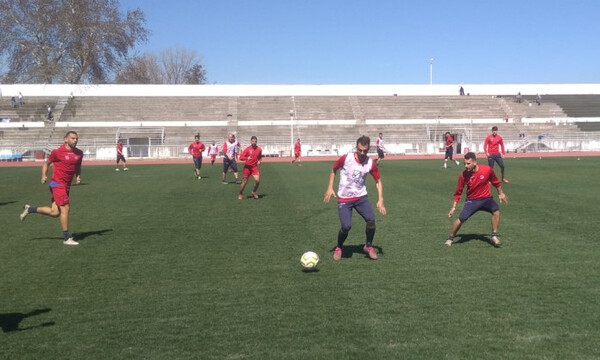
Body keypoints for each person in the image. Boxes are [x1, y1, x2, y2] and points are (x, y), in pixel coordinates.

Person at [323, 135, 386, 261]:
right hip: (344, 199)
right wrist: (330, 187)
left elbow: (378, 181)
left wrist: (381, 199)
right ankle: (339, 247)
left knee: (371, 221)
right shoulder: (346, 158)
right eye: (360, 150)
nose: (362, 153)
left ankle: (368, 246)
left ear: (368, 150)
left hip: (360, 197)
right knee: (346, 227)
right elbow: (333, 169)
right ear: (356, 147)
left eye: (365, 151)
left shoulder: (370, 163)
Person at [19, 131, 83, 246]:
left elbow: (77, 166)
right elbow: (46, 163)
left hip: (66, 185)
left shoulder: (79, 153)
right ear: (66, 139)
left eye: (76, 138)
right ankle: (66, 238)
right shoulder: (57, 152)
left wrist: (78, 176)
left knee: (55, 212)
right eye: (72, 138)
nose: (75, 140)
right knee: (65, 208)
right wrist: (44, 175)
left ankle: (29, 209)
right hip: (56, 183)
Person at [445, 152, 508, 247]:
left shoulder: (487, 170)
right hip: (472, 201)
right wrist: (454, 207)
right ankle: (450, 238)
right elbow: (458, 192)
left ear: (475, 162)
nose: (466, 166)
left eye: (468, 164)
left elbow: (495, 182)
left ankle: (494, 236)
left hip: (486, 199)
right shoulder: (463, 175)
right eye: (464, 163)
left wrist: (500, 193)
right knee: (461, 219)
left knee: (496, 211)